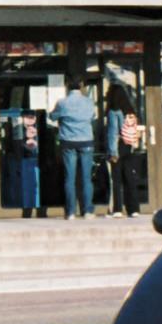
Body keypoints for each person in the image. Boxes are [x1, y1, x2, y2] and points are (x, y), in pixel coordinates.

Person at [48, 75, 97, 219]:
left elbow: (52, 117)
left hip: (68, 141)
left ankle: (70, 212)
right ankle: (87, 210)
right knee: (86, 178)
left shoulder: (63, 103)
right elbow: (92, 117)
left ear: (67, 85)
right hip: (86, 141)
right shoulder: (88, 102)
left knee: (70, 178)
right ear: (81, 85)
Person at [105, 84, 144, 217]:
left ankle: (117, 209)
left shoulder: (113, 111)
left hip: (118, 146)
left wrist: (113, 152)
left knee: (116, 179)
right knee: (129, 178)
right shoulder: (130, 111)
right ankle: (134, 209)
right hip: (129, 146)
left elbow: (113, 133)